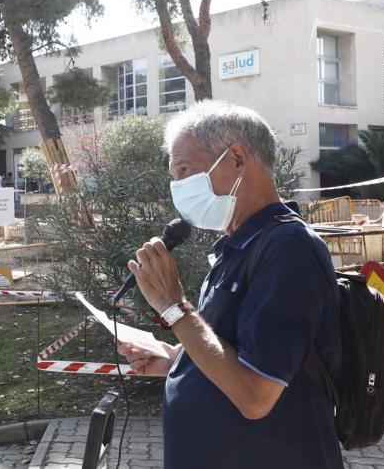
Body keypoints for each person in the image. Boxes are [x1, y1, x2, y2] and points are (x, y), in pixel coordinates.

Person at [116, 101, 341, 469]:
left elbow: (255, 396)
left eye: (184, 170)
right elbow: (234, 348)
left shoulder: (289, 249)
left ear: (236, 158)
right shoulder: (240, 245)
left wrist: (175, 307)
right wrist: (177, 359)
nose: (178, 187)